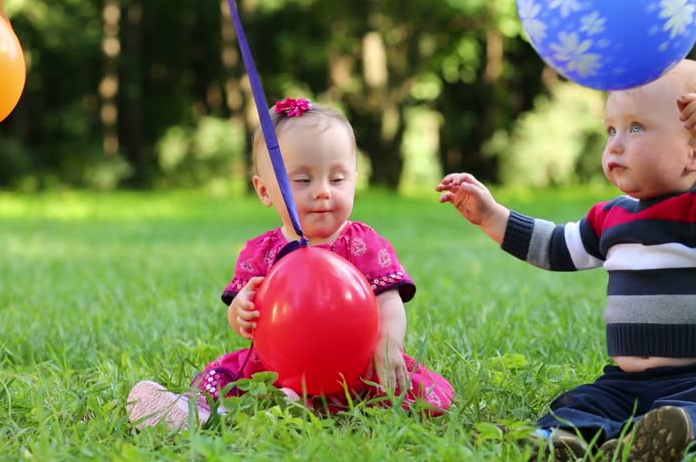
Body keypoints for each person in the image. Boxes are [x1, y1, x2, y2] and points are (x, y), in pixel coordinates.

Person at [436, 59, 696, 461]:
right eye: (611, 130)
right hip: (626, 382)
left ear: (695, 150)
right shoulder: (612, 216)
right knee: (580, 403)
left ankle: (682, 430)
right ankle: (577, 439)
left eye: (636, 128)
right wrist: (492, 216)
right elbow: (556, 246)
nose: (615, 144)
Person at [127, 98, 453, 431]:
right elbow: (244, 310)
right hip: (277, 365)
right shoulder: (263, 251)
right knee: (226, 377)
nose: (323, 192)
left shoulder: (364, 243)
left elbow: (389, 302)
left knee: (412, 392)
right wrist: (240, 311)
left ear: (355, 179)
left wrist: (389, 343)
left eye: (338, 179)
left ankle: (291, 410)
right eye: (302, 181)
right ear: (265, 190)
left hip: (356, 366)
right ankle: (200, 415)